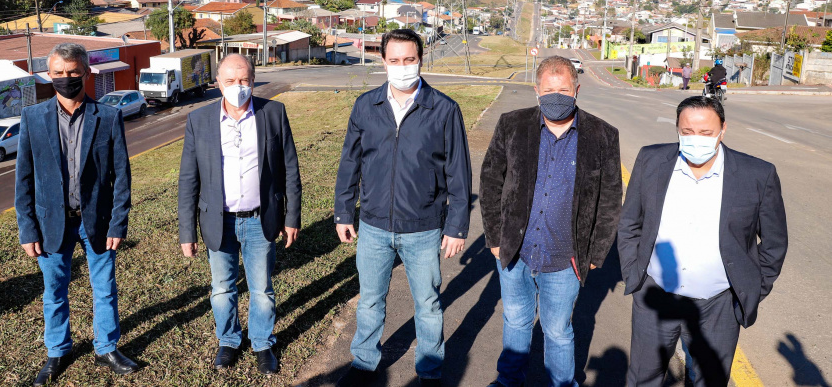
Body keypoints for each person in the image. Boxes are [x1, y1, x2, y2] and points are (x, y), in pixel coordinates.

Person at [333, 29, 472, 387]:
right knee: (369, 301)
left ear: (420, 60)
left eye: (409, 59)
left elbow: (458, 173)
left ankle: (429, 369)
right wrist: (344, 212)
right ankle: (364, 363)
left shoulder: (444, 109)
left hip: (423, 227)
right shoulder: (366, 106)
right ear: (383, 61)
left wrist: (456, 226)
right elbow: (350, 163)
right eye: (394, 60)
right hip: (374, 226)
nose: (402, 66)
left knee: (428, 304)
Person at [617, 96, 788, 386]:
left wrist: (751, 289)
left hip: (719, 305)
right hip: (655, 297)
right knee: (644, 379)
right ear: (677, 129)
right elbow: (630, 222)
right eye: (687, 131)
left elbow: (774, 243)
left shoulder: (757, 175)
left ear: (723, 129)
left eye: (706, 132)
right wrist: (634, 273)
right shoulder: (651, 160)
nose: (696, 139)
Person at [479, 54, 623, 387]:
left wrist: (596, 252)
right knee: (516, 320)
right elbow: (490, 180)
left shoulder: (602, 135)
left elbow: (610, 197)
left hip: (565, 258)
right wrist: (495, 238)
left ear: (577, 90)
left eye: (563, 90)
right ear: (537, 90)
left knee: (557, 330)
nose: (555, 96)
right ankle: (509, 380)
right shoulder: (512, 125)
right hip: (515, 250)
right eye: (548, 90)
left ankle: (561, 383)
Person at [15, 43, 138, 386]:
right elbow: (24, 178)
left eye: (72, 72)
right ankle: (58, 351)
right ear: (49, 75)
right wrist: (27, 229)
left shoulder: (108, 116)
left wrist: (118, 223)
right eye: (59, 72)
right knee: (54, 291)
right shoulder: (33, 118)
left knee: (105, 288)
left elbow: (121, 176)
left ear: (86, 73)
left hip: (97, 222)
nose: (66, 78)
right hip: (50, 223)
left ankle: (106, 348)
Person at [178, 53, 301, 376]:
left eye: (244, 80)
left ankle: (262, 343)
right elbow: (189, 179)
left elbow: (290, 168)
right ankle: (229, 341)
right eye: (231, 81)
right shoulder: (199, 120)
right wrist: (186, 232)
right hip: (219, 220)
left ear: (253, 80)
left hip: (261, 219)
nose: (238, 86)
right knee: (222, 288)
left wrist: (292, 217)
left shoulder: (273, 112)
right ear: (218, 83)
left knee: (262, 289)